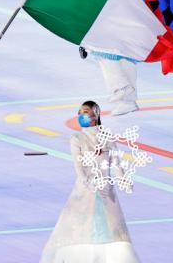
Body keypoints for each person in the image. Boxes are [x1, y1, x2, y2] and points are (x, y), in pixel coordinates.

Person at [40, 102, 140, 262]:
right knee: (81, 230)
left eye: (85, 112)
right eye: (79, 112)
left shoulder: (107, 137)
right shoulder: (77, 138)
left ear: (95, 115)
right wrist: (89, 183)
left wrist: (123, 179)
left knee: (113, 231)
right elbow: (79, 166)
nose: (81, 115)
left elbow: (116, 163)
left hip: (107, 193)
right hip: (85, 192)